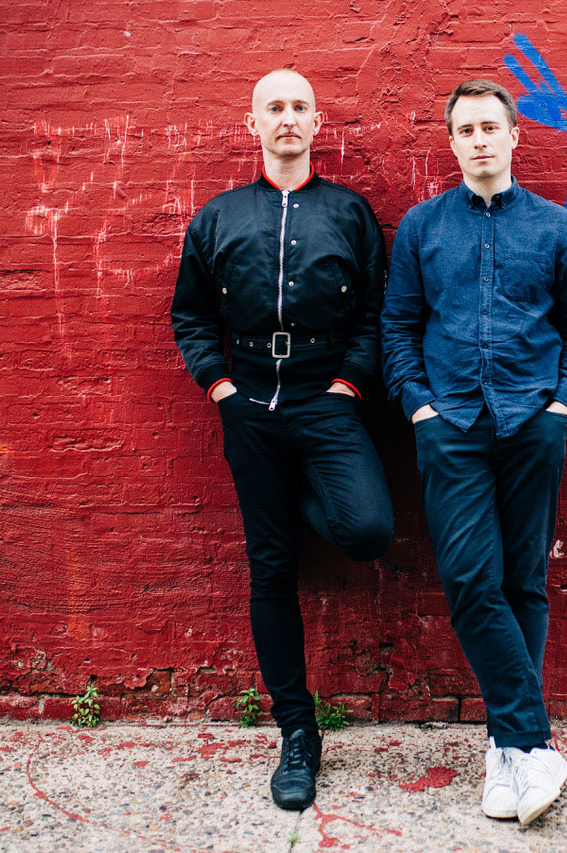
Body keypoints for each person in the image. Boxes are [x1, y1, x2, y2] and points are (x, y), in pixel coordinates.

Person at [381, 79, 567, 826]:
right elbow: (398, 327)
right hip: (452, 429)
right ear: (451, 143)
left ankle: (503, 753)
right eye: (465, 129)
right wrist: (420, 409)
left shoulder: (554, 227)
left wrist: (562, 405)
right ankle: (534, 741)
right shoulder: (420, 228)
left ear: (514, 137)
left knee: (524, 583)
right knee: (474, 581)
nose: (479, 139)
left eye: (490, 127)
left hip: (533, 423)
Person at [171, 69, 393, 811]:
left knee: (365, 529)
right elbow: (191, 315)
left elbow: (375, 314)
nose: (288, 118)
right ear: (253, 122)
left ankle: (303, 489)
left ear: (318, 121)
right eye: (276, 108)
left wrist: (347, 383)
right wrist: (220, 387)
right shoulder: (220, 217)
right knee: (271, 568)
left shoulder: (351, 213)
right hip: (249, 406)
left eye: (300, 107)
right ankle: (298, 732)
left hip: (326, 399)